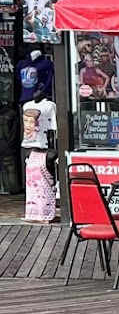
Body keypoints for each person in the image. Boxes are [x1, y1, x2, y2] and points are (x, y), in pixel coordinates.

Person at [21, 89, 56, 223]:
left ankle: (46, 212)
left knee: (44, 180)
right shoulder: (26, 106)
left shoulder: (49, 106)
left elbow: (53, 127)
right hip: (29, 144)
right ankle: (32, 212)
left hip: (44, 144)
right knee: (32, 181)